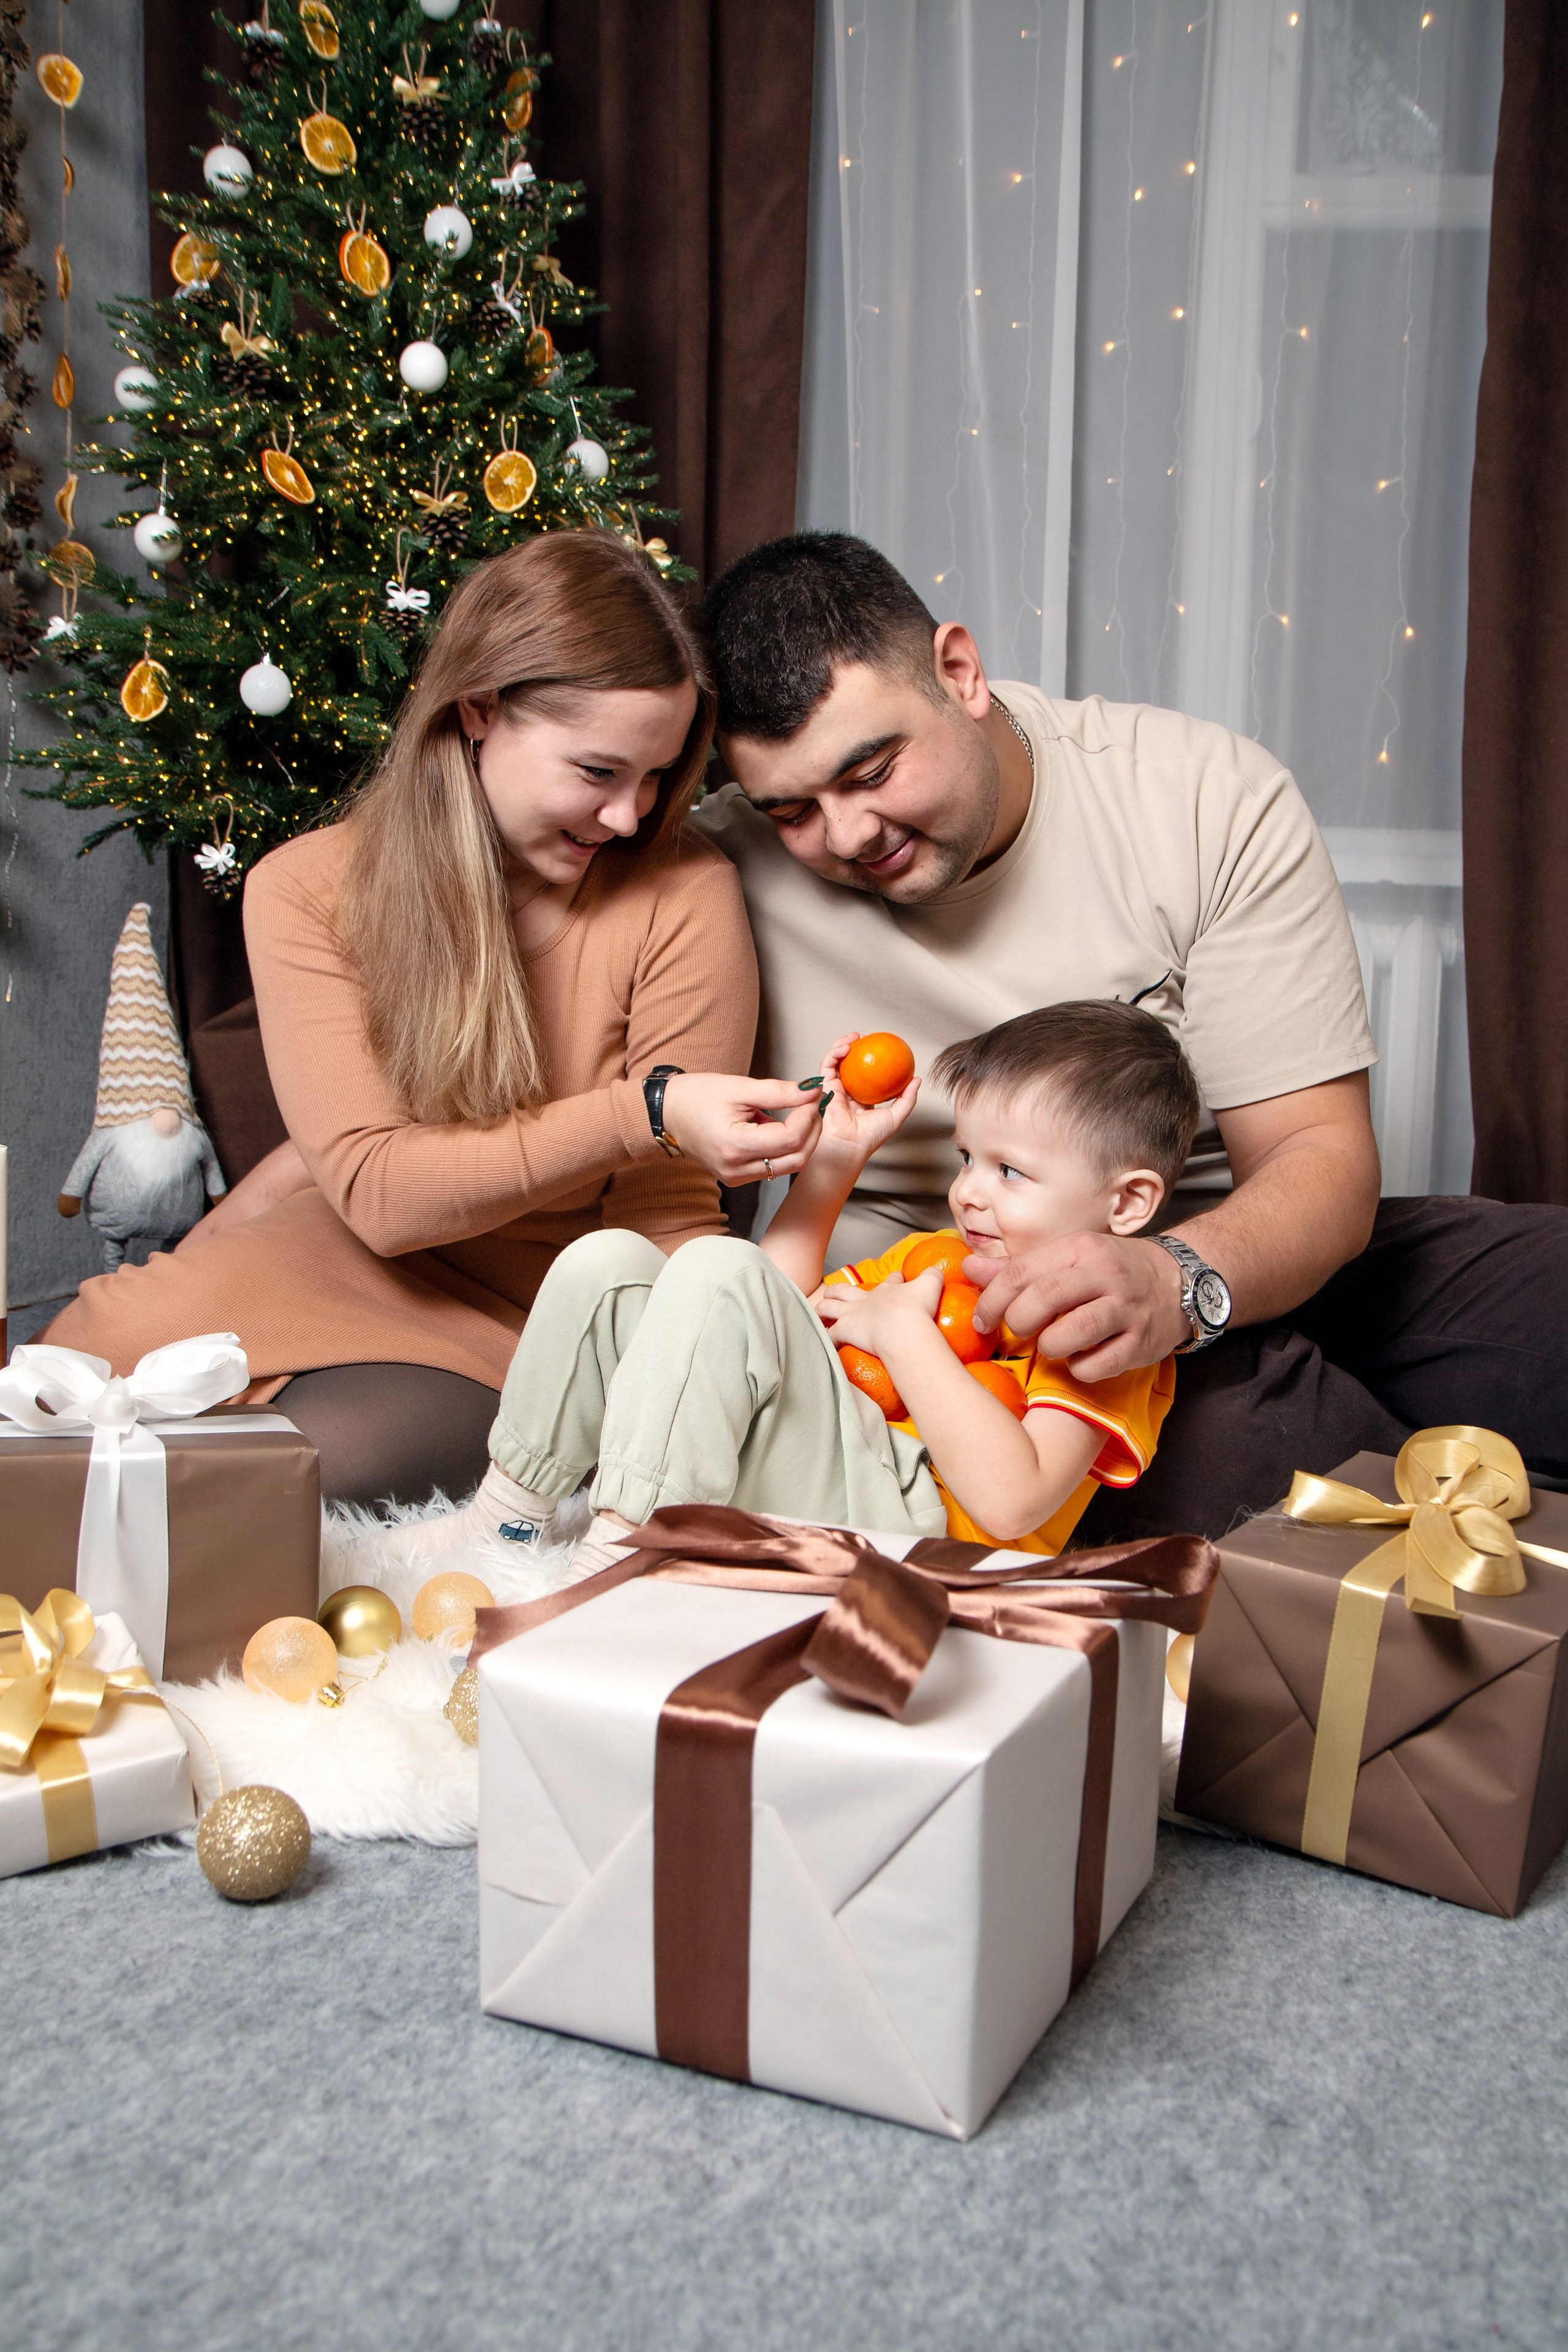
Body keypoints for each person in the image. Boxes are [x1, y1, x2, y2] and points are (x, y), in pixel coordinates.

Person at [692, 531, 1568, 1538]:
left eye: (874, 770)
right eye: (794, 810)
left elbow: (1313, 1157)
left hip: (1224, 1236)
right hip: (971, 1310)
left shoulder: (1199, 797)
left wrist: (1173, 1278)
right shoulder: (718, 872)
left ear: (959, 673)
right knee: (1276, 1492)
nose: (846, 835)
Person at [44, 532, 823, 1506]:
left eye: (657, 776)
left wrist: (664, 1409)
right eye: (597, 772)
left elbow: (664, 1219)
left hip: (542, 1315)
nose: (630, 816)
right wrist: (647, 1107)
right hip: (349, 1251)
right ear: (479, 711)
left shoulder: (682, 893)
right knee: (54, 1390)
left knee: (245, 1493)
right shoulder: (307, 889)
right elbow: (375, 1189)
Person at [362, 999, 1194, 1583]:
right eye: (968, 1159)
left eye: (1011, 1172)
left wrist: (900, 1334)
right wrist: (835, 1158)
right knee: (609, 1263)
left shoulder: (1102, 1327)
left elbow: (1013, 1505)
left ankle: (628, 1551)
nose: (970, 1191)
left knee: (720, 1269)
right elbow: (774, 1306)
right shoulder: (937, 1254)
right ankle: (508, 1514)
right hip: (828, 1479)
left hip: (924, 1550)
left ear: (1126, 1203)